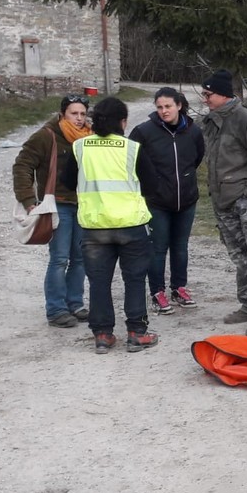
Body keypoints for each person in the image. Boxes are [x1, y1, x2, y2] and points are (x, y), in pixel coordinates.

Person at [60, 97, 158, 353]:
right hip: (131, 226)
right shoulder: (132, 149)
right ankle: (137, 332)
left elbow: (68, 182)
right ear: (123, 122)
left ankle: (102, 335)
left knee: (99, 282)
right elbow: (152, 185)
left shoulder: (80, 147)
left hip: (94, 228)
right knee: (135, 280)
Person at [197, 69, 247, 337]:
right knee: (240, 257)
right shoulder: (212, 121)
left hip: (245, 201)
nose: (204, 99)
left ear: (223, 94)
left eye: (208, 94)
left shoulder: (245, 119)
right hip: (223, 202)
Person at [12, 95, 91, 328]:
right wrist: (28, 200)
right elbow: (22, 165)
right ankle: (56, 310)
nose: (79, 118)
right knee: (59, 259)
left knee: (80, 258)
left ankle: (75, 303)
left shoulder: (90, 137)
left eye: (82, 113)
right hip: (57, 205)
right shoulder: (47, 136)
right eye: (73, 113)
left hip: (84, 205)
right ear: (62, 114)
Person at [129, 87, 205, 315]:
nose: (164, 111)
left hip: (187, 200)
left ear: (179, 106)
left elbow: (197, 157)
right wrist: (151, 186)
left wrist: (186, 179)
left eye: (168, 106)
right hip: (157, 201)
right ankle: (157, 292)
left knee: (180, 247)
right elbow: (131, 163)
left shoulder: (193, 131)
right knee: (158, 248)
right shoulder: (143, 132)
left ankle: (179, 287)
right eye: (160, 107)